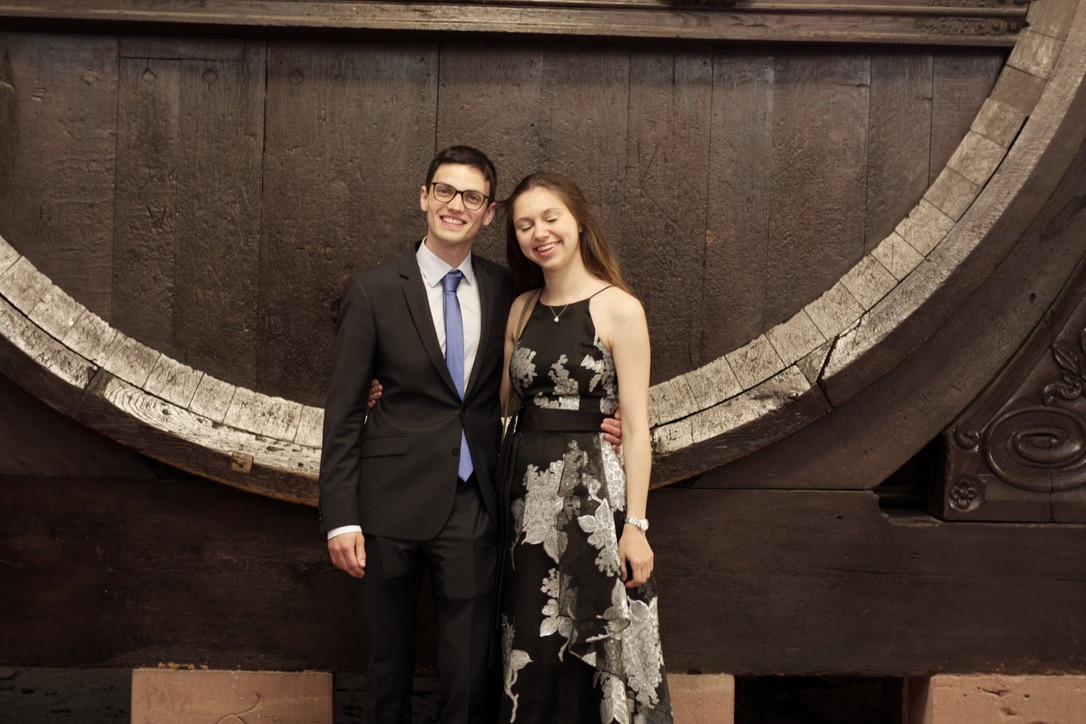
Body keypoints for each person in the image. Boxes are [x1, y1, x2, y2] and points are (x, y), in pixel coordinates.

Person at [318, 147, 619, 724]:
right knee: (384, 669)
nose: (456, 205)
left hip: (474, 505)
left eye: (472, 196)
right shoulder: (372, 289)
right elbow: (344, 410)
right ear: (424, 197)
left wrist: (606, 413)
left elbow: (550, 361)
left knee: (469, 675)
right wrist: (341, 517)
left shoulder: (509, 290)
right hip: (385, 506)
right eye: (445, 191)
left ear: (488, 212)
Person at [497, 172, 673, 723]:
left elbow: (637, 427)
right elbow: (496, 406)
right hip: (525, 505)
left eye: (551, 218)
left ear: (578, 223)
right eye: (525, 224)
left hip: (594, 499)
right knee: (532, 641)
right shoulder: (521, 308)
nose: (539, 233)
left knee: (593, 636)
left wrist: (636, 526)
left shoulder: (620, 308)